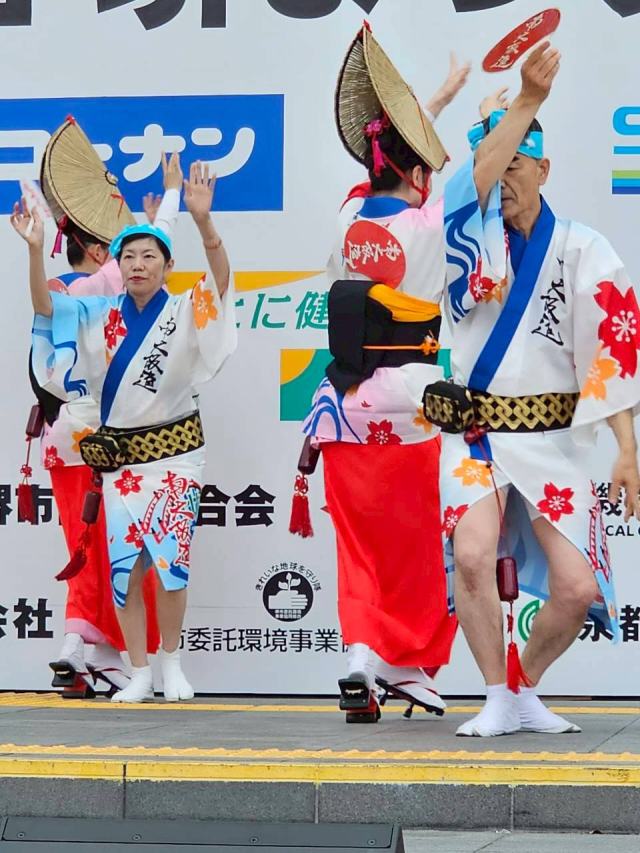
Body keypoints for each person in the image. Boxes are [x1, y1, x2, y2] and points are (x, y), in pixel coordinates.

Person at [300, 25, 548, 722]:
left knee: (359, 548)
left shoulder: (350, 216)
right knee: (417, 548)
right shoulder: (432, 224)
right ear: (418, 175)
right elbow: (485, 167)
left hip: (341, 406)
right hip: (411, 405)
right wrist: (521, 104)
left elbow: (401, 159)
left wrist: (432, 103)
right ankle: (405, 663)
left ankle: (362, 655)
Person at [437, 50, 640, 736]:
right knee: (472, 554)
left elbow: (613, 352)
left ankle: (522, 687)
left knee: (577, 589)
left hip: (554, 441)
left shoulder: (584, 249)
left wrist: (625, 447)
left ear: (544, 169)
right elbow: (472, 183)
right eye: (493, 169)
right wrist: (524, 102)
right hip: (476, 436)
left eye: (516, 167)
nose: (502, 182)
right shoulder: (467, 239)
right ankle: (494, 694)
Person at [14, 158, 237, 703]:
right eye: (129, 257)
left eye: (149, 256)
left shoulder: (184, 310)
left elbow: (221, 281)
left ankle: (171, 663)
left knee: (172, 566)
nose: (138, 265)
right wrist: (34, 250)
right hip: (122, 463)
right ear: (116, 264)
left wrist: (203, 222)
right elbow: (45, 308)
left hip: (177, 457)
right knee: (125, 570)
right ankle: (138, 670)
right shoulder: (98, 312)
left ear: (166, 265)